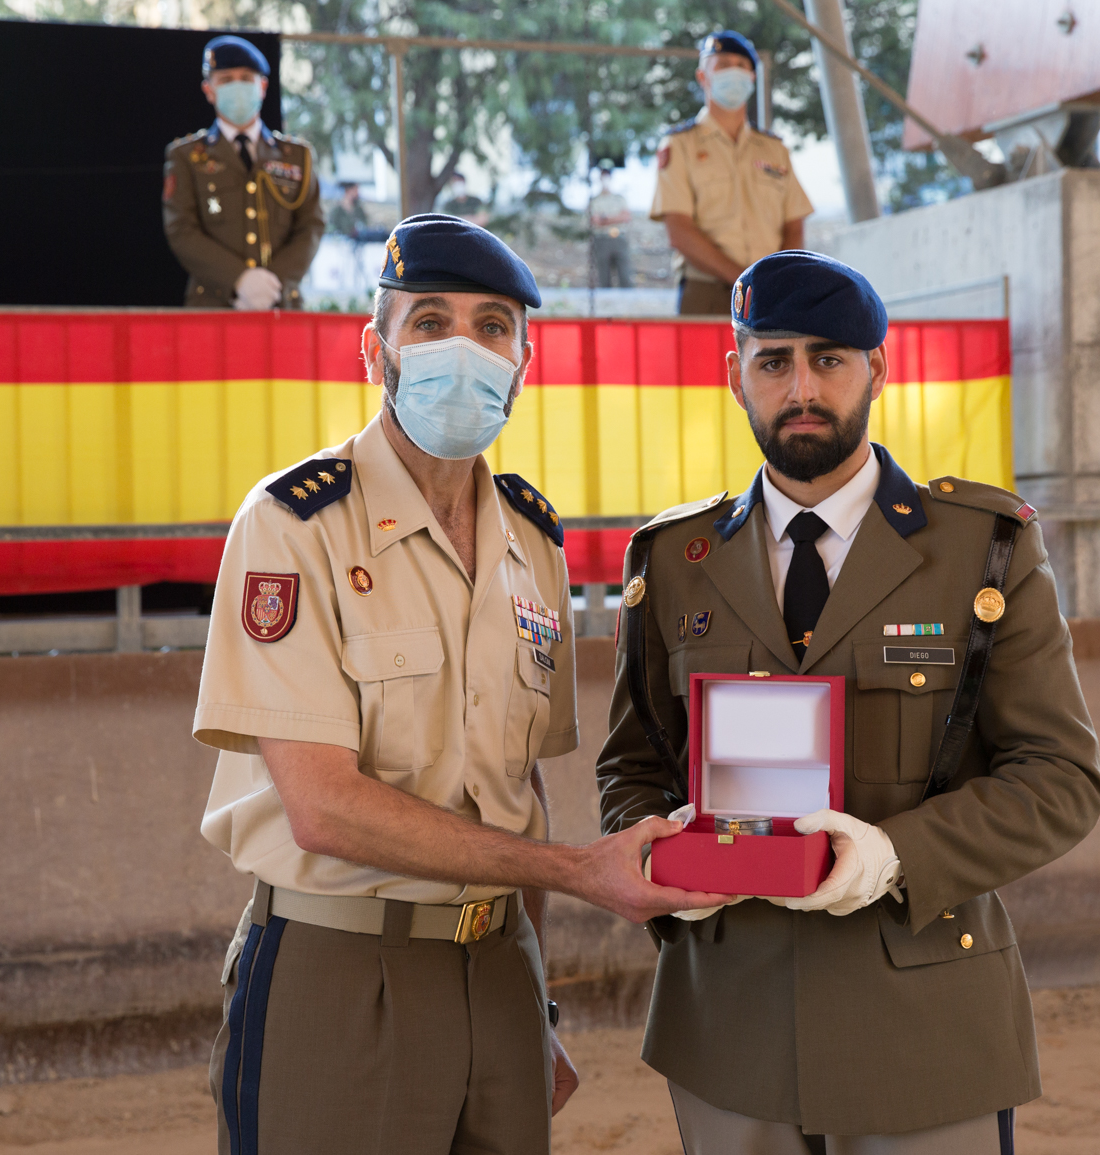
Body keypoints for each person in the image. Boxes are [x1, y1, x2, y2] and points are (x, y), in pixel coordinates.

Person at [191, 213, 730, 1155]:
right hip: (344, 970)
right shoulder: (294, 525)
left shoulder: (533, 543)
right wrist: (579, 873)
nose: (462, 349)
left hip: (499, 972)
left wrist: (536, 993)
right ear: (376, 349)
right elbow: (324, 809)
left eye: (491, 327)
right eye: (429, 321)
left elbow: (516, 788)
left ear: (527, 359)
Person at [596, 250, 1100, 1152]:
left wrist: (890, 854)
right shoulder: (671, 562)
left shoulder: (983, 548)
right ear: (734, 376)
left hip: (923, 1028)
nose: (801, 387)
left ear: (878, 366)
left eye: (829, 359)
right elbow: (633, 765)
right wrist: (668, 858)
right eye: (773, 360)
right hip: (728, 1028)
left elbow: (1060, 779)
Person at [650, 30, 813, 315]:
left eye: (742, 66)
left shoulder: (774, 150)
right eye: (723, 65)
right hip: (707, 292)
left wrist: (776, 279)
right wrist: (745, 283)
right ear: (703, 76)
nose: (734, 73)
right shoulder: (679, 145)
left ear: (753, 78)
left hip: (771, 294)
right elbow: (679, 230)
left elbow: (794, 226)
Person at [163, 35, 324, 309]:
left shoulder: (298, 156)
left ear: (262, 86)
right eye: (225, 80)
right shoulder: (186, 156)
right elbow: (181, 229)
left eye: (246, 78)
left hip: (281, 304)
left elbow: (311, 226)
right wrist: (239, 280)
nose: (237, 86)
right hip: (212, 307)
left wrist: (273, 284)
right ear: (208, 90)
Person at [589, 163, 633, 289]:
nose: (605, 178)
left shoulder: (619, 199)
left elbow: (626, 217)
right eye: (603, 175)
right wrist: (615, 218)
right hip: (602, 239)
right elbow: (595, 220)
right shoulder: (595, 200)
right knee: (604, 277)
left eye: (607, 175)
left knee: (625, 276)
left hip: (619, 238)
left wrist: (606, 218)